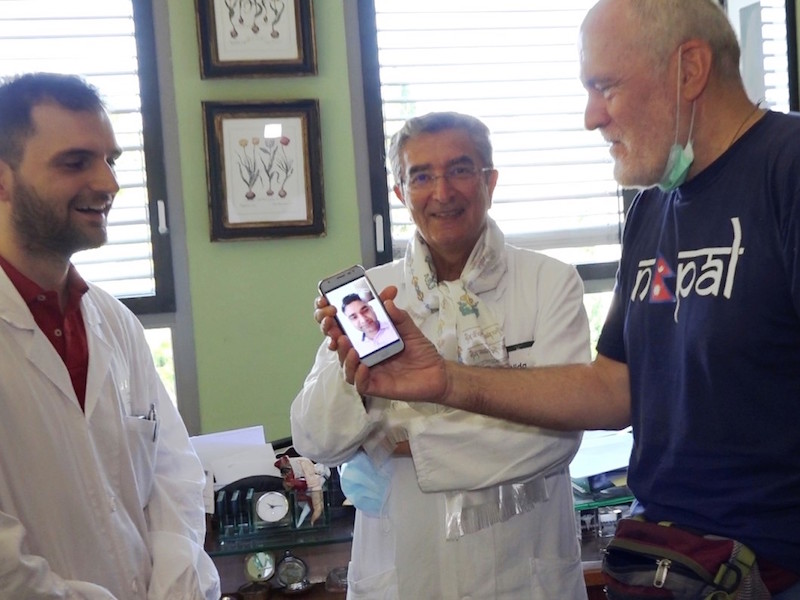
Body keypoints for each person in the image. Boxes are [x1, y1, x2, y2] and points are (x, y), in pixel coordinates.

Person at [321, 0, 800, 597]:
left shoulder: (787, 171)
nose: (591, 116)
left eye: (606, 86)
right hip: (674, 563)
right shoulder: (655, 208)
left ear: (689, 70)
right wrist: (447, 381)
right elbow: (613, 389)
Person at [293, 111, 593, 599]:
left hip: (523, 572)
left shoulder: (550, 283)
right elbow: (314, 439)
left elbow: (554, 436)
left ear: (489, 181)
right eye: (421, 176)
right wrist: (355, 385)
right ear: (400, 193)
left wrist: (399, 439)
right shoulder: (372, 297)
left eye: (460, 170)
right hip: (401, 573)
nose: (442, 192)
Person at [0, 73, 220, 599]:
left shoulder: (114, 321)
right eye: (75, 162)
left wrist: (173, 581)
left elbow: (173, 474)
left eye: (110, 160)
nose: (108, 183)